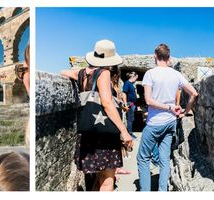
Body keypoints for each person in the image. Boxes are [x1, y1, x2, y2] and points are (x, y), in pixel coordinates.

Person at [60, 39, 133, 191]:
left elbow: (63, 72)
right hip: (104, 135)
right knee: (107, 182)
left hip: (88, 133)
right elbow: (107, 103)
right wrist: (124, 132)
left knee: (98, 179)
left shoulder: (81, 73)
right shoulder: (104, 73)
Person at [137, 44, 199, 191]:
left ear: (154, 56)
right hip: (170, 122)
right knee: (164, 159)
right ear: (169, 57)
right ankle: (162, 191)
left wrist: (168, 107)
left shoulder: (150, 74)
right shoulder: (176, 74)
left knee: (143, 158)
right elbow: (194, 94)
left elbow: (149, 101)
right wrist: (185, 112)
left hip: (154, 122)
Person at [123, 71, 139, 139]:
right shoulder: (127, 83)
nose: (136, 79)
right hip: (130, 104)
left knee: (131, 119)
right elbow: (124, 93)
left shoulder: (131, 84)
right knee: (130, 119)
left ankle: (130, 132)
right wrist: (126, 104)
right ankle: (129, 134)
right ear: (133, 76)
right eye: (136, 78)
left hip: (132, 104)